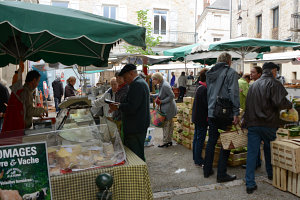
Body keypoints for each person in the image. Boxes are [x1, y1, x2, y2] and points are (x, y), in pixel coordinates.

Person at [243, 62, 292, 194]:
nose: (276, 73)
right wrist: (290, 105)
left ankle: (250, 183)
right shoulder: (274, 83)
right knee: (269, 150)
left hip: (253, 124)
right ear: (273, 71)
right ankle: (271, 174)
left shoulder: (253, 85)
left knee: (252, 154)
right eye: (276, 71)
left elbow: (247, 106)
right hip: (268, 124)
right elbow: (280, 102)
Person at [203, 52, 240, 183]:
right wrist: (236, 112)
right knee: (226, 142)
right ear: (229, 61)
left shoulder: (210, 72)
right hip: (225, 113)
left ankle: (207, 170)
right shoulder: (230, 73)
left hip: (212, 111)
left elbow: (209, 93)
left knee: (212, 141)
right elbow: (234, 93)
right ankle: (222, 174)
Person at [109, 64, 150, 161]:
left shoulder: (137, 84)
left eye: (125, 77)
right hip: (138, 125)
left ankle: (139, 174)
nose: (124, 79)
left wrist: (118, 106)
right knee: (137, 152)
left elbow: (132, 107)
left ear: (131, 74)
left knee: (136, 155)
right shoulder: (140, 83)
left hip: (135, 126)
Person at [151, 72, 177, 148]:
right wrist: (152, 95)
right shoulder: (162, 84)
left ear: (157, 79)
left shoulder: (165, 85)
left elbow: (172, 96)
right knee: (169, 125)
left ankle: (166, 141)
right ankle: (169, 140)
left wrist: (162, 101)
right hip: (167, 107)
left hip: (169, 108)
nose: (153, 81)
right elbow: (161, 94)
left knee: (166, 124)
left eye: (153, 80)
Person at [192, 68, 208, 167]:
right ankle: (198, 160)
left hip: (197, 117)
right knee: (199, 139)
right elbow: (206, 104)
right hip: (202, 118)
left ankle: (196, 157)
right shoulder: (204, 89)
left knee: (196, 138)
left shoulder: (199, 86)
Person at [113, 72, 129, 141]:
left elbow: (125, 104)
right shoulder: (119, 88)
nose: (118, 79)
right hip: (117, 116)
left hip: (123, 118)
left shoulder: (126, 89)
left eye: (120, 78)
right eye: (117, 78)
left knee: (122, 138)